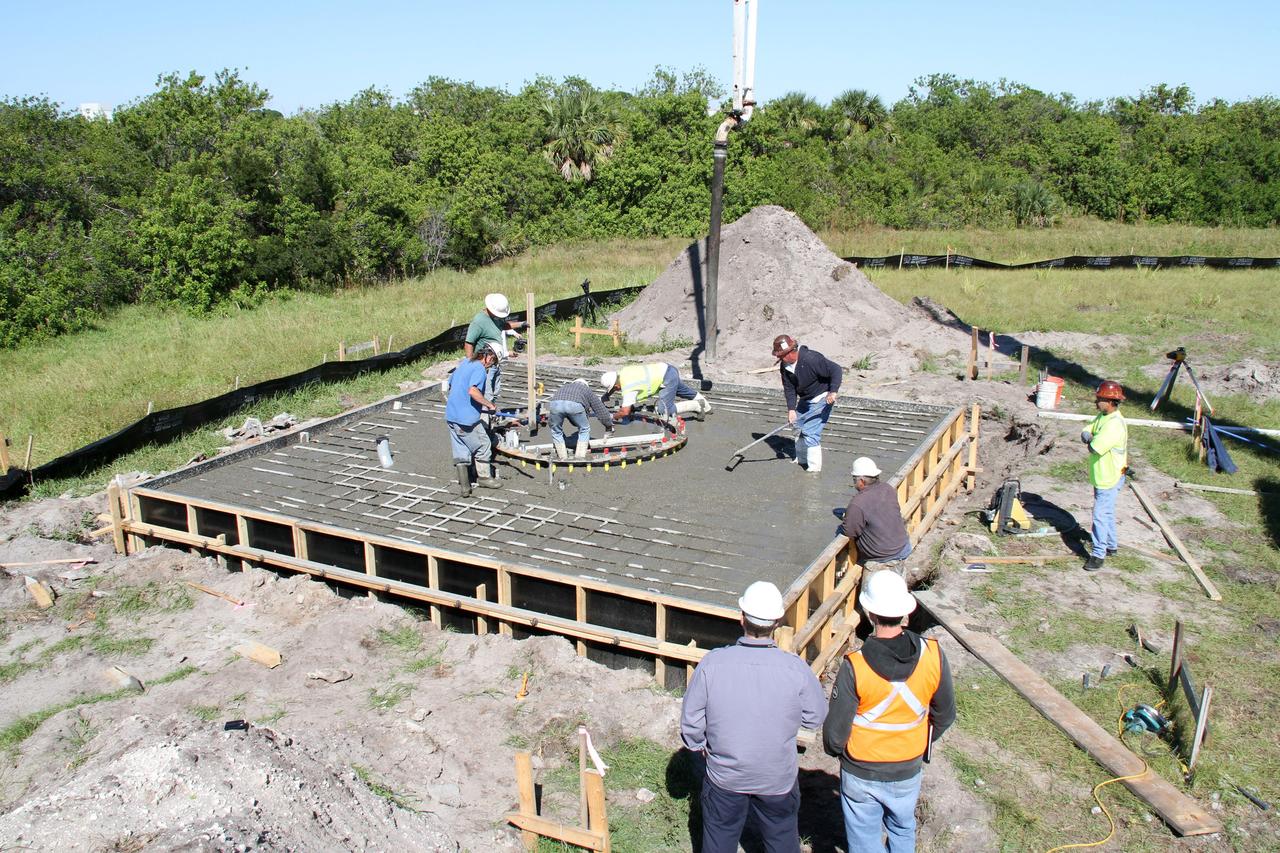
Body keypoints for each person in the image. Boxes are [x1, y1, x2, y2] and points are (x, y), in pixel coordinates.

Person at [680, 581, 827, 853]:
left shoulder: (713, 664)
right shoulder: (795, 669)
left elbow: (691, 725)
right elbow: (815, 717)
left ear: (741, 618)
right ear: (776, 623)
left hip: (725, 777)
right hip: (777, 778)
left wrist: (700, 747)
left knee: (719, 841)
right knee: (782, 840)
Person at [823, 570, 955, 853]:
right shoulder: (933, 654)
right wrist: (920, 744)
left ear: (869, 613)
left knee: (863, 839)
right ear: (905, 613)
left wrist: (838, 752)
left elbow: (835, 734)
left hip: (862, 769)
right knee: (902, 828)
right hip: (908, 766)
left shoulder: (855, 666)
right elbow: (945, 715)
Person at [773, 334, 842, 474]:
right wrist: (791, 409)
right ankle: (801, 459)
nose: (781, 360)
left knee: (811, 432)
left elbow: (836, 369)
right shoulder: (785, 366)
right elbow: (789, 388)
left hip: (822, 397)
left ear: (791, 352)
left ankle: (814, 468)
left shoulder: (812, 359)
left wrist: (833, 391)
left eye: (782, 356)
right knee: (796, 426)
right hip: (805, 399)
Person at [1082, 380, 1128, 571]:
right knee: (1106, 511)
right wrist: (1089, 435)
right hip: (1102, 475)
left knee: (1100, 515)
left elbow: (1094, 448)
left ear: (1110, 401)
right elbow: (1087, 431)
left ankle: (1098, 554)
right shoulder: (1103, 416)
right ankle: (1111, 544)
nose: (1096, 401)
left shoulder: (1114, 425)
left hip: (1110, 477)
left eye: (1099, 399)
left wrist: (1091, 439)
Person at [445, 344, 502, 490]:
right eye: (493, 361)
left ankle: (465, 486)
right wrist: (489, 405)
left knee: (461, 448)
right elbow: (473, 391)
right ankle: (484, 477)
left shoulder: (466, 362)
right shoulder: (479, 369)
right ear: (489, 357)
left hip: (451, 414)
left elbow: (450, 383)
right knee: (483, 445)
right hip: (466, 418)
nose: (492, 365)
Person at [844, 457, 912, 565]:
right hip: (904, 547)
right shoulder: (887, 488)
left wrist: (848, 517)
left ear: (861, 481)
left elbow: (850, 531)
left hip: (882, 557)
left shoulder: (857, 503)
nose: (854, 483)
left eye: (854, 480)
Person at [463, 293, 525, 399]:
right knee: (487, 393)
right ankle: (486, 412)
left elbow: (504, 325)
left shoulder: (495, 318)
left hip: (495, 362)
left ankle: (492, 411)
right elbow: (469, 343)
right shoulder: (479, 321)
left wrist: (521, 324)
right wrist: (470, 364)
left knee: (495, 391)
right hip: (484, 364)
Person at [600, 363, 709, 421]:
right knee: (683, 391)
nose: (617, 390)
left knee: (664, 410)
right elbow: (615, 383)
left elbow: (625, 412)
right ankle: (708, 407)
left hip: (666, 378)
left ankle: (697, 406)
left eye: (615, 388)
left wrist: (612, 417)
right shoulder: (623, 372)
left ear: (616, 385)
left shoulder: (629, 388)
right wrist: (606, 395)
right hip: (667, 368)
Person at [548, 378, 615, 461]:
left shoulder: (564, 387)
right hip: (574, 405)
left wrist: (552, 425)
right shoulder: (587, 390)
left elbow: (552, 420)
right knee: (584, 429)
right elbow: (601, 411)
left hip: (555, 404)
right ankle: (579, 457)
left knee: (556, 431)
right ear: (586, 385)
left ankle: (562, 457)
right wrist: (609, 427)